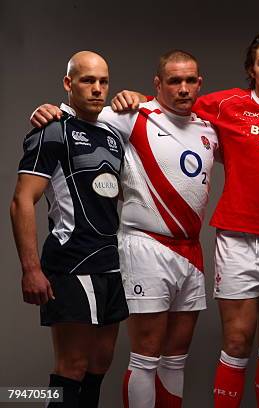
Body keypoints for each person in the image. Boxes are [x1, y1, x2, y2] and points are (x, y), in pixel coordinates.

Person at [109, 33, 259, 408]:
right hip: (235, 238)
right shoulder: (223, 105)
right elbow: (170, 106)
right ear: (251, 70)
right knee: (234, 342)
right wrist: (133, 98)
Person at [29, 50, 218, 408]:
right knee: (130, 358)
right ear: (158, 85)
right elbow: (77, 111)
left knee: (162, 358)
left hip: (187, 251)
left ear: (199, 84)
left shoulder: (208, 128)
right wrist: (45, 110)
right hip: (140, 247)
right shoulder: (134, 115)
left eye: (189, 80)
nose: (182, 88)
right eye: (174, 81)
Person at [11, 51, 128, 407]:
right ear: (68, 83)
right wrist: (31, 269)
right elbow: (21, 202)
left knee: (99, 365)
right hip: (71, 264)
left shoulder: (111, 135)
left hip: (110, 265)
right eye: (87, 80)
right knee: (71, 368)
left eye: (103, 81)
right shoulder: (52, 131)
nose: (97, 89)